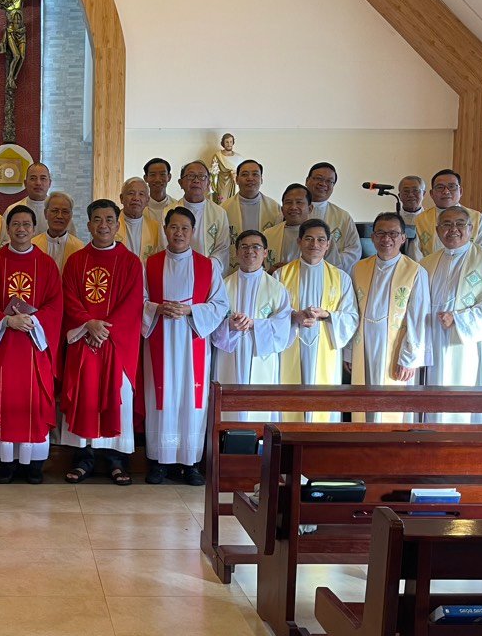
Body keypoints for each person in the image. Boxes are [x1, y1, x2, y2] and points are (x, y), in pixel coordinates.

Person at [0, 204, 62, 484]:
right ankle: (6, 464)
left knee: (33, 403)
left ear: (34, 229)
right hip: (3, 346)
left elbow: (55, 305)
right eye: (16, 224)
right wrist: (6, 321)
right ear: (8, 228)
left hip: (34, 346)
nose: (21, 229)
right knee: (5, 400)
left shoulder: (46, 264)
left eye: (26, 224)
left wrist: (33, 321)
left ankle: (33, 464)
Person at [59, 199, 143, 485]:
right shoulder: (76, 261)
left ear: (118, 225)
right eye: (97, 219)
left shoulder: (130, 262)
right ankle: (83, 459)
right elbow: (69, 298)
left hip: (116, 345)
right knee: (85, 398)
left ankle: (117, 461)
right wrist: (88, 324)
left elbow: (132, 303)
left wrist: (104, 330)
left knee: (117, 401)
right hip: (84, 340)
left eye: (109, 220)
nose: (103, 225)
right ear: (88, 224)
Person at [142, 206, 228, 484]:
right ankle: (159, 461)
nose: (178, 233)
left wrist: (191, 310)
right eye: (174, 227)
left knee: (192, 401)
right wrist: (157, 308)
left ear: (193, 232)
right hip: (160, 340)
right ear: (165, 229)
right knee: (161, 398)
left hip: (194, 343)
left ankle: (190, 463)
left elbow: (220, 304)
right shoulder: (150, 264)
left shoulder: (208, 266)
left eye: (184, 228)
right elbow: (138, 300)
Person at [422, 206, 482, 422]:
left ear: (471, 229)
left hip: (466, 342)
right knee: (432, 394)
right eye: (446, 224)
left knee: (462, 392)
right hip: (432, 338)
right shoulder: (426, 263)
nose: (453, 229)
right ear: (437, 230)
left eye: (460, 224)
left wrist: (460, 319)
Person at [274, 218, 360, 421]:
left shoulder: (341, 278)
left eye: (321, 240)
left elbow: (351, 317)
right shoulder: (280, 275)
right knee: (290, 402)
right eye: (309, 239)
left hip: (326, 348)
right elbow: (269, 315)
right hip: (289, 347)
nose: (315, 244)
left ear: (328, 244)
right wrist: (293, 316)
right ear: (299, 241)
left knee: (323, 406)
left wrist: (328, 315)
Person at [347, 212, 429, 421]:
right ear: (372, 237)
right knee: (364, 404)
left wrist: (410, 358)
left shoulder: (415, 271)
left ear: (403, 238)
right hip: (363, 346)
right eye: (380, 233)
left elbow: (418, 317)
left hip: (396, 348)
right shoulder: (359, 268)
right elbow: (351, 312)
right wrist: (349, 352)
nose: (386, 239)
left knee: (392, 407)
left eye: (393, 233)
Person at [210, 230, 293, 423]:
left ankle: (261, 440)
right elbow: (211, 321)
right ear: (237, 252)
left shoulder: (277, 288)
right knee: (228, 408)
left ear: (265, 253)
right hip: (229, 353)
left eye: (256, 247)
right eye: (244, 247)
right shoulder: (223, 286)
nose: (250, 251)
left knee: (259, 409)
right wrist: (228, 325)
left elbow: (283, 326)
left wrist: (255, 324)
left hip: (260, 355)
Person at [414, 169, 482, 258]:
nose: (446, 191)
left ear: (460, 191)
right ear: (431, 193)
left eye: (452, 186)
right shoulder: (421, 219)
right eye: (440, 187)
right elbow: (416, 254)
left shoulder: (476, 218)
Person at [173, 161, 230, 273]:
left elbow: (222, 248)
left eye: (202, 176)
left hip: (208, 272)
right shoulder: (169, 212)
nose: (196, 180)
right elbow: (164, 245)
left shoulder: (219, 213)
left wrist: (207, 266)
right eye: (191, 176)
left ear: (208, 183)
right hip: (177, 270)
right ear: (181, 183)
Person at [305, 162, 361, 272]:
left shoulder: (343, 217)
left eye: (329, 181)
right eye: (319, 178)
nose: (323, 184)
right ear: (307, 180)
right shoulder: (293, 212)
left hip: (331, 273)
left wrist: (328, 265)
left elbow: (354, 250)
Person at [222, 159, 281, 262]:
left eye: (255, 174)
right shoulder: (223, 209)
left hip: (265, 266)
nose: (250, 178)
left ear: (261, 179)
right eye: (245, 174)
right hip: (234, 266)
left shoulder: (275, 209)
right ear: (236, 179)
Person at [115, 176, 166, 262]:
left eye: (141, 194)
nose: (136, 198)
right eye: (131, 193)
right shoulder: (111, 225)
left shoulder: (156, 227)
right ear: (121, 198)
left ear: (147, 200)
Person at [262, 183, 313, 270]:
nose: (293, 207)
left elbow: (332, 270)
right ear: (282, 209)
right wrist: (269, 272)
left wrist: (292, 272)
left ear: (310, 208)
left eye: (299, 202)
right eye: (288, 202)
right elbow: (258, 267)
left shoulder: (321, 237)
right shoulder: (268, 234)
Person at [31, 191, 85, 272]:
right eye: (55, 211)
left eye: (65, 212)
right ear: (45, 213)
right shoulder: (33, 244)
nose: (59, 216)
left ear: (71, 215)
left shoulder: (79, 247)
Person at [396, 175, 426, 261]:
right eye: (406, 191)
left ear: (423, 194)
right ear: (399, 195)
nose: (410, 195)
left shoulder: (431, 219)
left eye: (415, 190)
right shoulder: (393, 220)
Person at [209, 133, 241, 204]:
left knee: (233, 204)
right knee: (221, 204)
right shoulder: (218, 156)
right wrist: (213, 186)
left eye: (231, 142)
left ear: (233, 142)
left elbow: (241, 173)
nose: (229, 144)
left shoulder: (239, 157)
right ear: (223, 143)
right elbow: (214, 172)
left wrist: (235, 174)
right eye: (227, 142)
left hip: (235, 185)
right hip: (222, 184)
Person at [143, 157, 174, 225]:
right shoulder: (139, 207)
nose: (157, 179)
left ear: (169, 177)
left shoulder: (177, 206)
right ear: (145, 178)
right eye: (152, 175)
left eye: (162, 174)